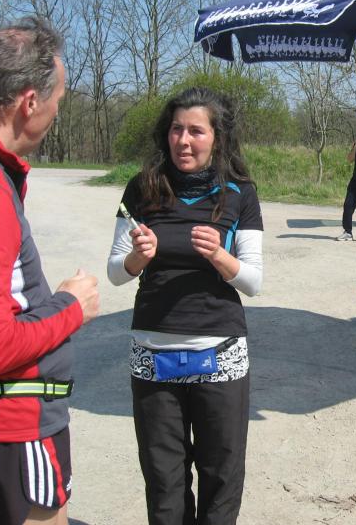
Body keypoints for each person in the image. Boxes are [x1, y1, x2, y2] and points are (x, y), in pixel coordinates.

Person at [106, 87, 263, 523]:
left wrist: (220, 256)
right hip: (152, 354)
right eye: (177, 129)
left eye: (196, 131)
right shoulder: (141, 188)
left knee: (221, 475)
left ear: (217, 138)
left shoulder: (240, 193)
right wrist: (137, 258)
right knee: (164, 481)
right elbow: (115, 271)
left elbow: (253, 281)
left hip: (220, 353)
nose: (184, 140)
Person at [0, 18, 100, 525]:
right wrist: (71, 308)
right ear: (29, 102)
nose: (55, 114)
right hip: (8, 433)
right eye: (57, 102)